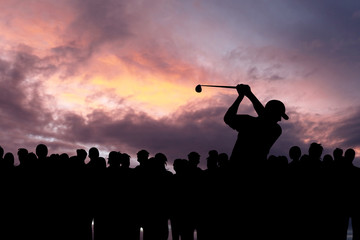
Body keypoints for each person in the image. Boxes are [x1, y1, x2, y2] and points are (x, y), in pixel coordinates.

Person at [224, 84, 288, 168]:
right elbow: (228, 118)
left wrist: (247, 94)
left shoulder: (275, 129)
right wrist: (242, 95)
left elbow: (265, 118)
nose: (279, 119)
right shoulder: (250, 121)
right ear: (271, 113)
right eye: (278, 115)